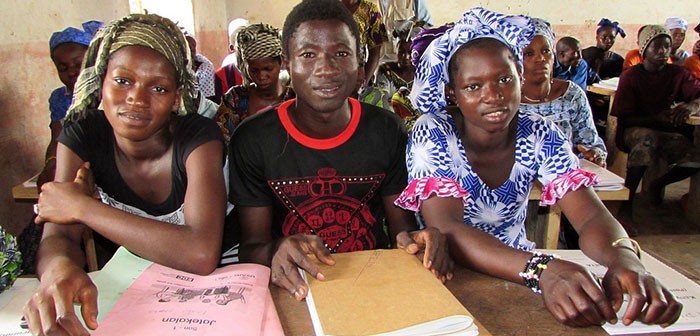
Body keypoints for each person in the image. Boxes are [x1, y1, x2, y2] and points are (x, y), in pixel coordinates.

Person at [398, 8, 681, 327]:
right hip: (448, 275)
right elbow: (447, 227)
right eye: (473, 86)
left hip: (518, 275)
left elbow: (588, 214)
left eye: (504, 79)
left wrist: (624, 258)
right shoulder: (434, 131)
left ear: (519, 76)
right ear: (452, 92)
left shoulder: (540, 132)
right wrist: (542, 270)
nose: (493, 96)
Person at [230, 0, 452, 301]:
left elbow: (401, 228)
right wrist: (275, 249)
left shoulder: (386, 130)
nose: (326, 69)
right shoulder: (254, 139)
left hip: (375, 285)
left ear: (360, 61)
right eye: (308, 55)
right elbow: (251, 248)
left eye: (341, 53)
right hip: (296, 288)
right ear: (286, 62)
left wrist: (416, 241)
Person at [23, 14, 230, 335]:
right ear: (101, 82)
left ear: (176, 98)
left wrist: (83, 208)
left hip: (219, 281)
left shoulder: (198, 136)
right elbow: (60, 235)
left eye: (158, 87)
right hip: (137, 286)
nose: (136, 97)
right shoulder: (83, 134)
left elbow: (200, 254)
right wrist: (58, 269)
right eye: (122, 81)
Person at [19, 20, 103, 276]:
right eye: (63, 67)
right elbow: (57, 138)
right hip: (75, 169)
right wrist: (50, 166)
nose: (71, 72)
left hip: (97, 169)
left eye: (78, 64)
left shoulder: (106, 93)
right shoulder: (60, 98)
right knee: (42, 231)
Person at [611, 25, 700, 236]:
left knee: (696, 155)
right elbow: (624, 118)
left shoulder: (677, 73)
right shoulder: (631, 76)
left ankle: (657, 185)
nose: (663, 52)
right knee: (646, 140)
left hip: (664, 131)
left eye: (667, 46)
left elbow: (698, 93)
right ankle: (626, 207)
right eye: (657, 47)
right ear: (644, 49)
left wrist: (692, 105)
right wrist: (655, 118)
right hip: (633, 131)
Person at [521, 19, 607, 166]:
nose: (541, 58)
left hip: (566, 181)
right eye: (528, 53)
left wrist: (594, 156)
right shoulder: (503, 99)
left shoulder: (571, 96)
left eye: (546, 51)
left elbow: (591, 144)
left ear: (554, 57)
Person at [214, 23, 291, 142]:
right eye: (254, 70)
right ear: (246, 67)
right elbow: (222, 140)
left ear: (281, 62)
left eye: (268, 69)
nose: (261, 76)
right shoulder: (235, 99)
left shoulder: (294, 98)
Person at [375, 20, 424, 128]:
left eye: (410, 53)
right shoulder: (386, 70)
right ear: (396, 50)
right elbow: (383, 98)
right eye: (401, 52)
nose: (405, 57)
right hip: (392, 122)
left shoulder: (422, 72)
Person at [341, 0, 389, 87]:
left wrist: (364, 82)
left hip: (356, 73)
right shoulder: (326, 8)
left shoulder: (371, 10)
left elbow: (375, 53)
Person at [184, 32, 216, 101]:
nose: (192, 49)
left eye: (193, 46)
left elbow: (208, 97)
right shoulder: (174, 64)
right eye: (188, 46)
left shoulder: (205, 66)